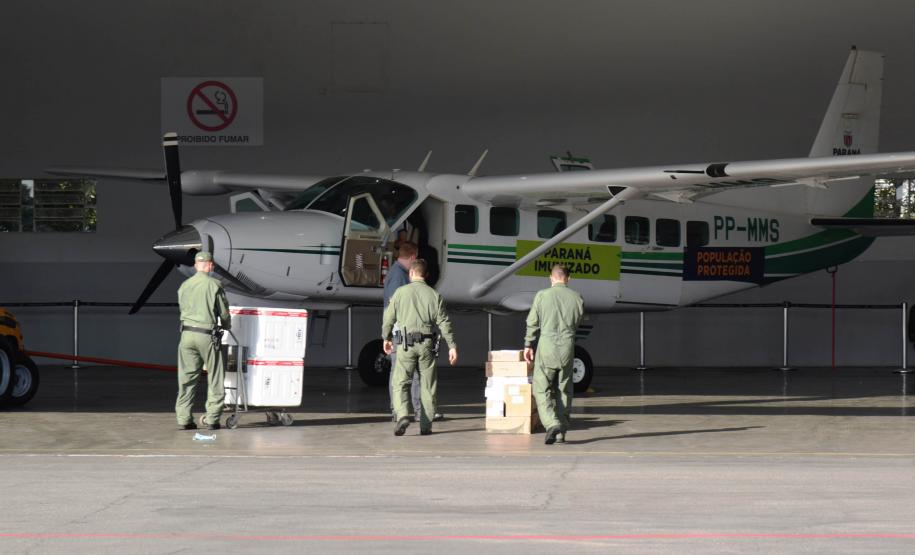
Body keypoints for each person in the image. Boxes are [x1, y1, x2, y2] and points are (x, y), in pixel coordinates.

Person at [381, 259, 458, 436]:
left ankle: (402, 415)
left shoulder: (400, 293)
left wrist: (386, 337)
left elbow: (389, 318)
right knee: (427, 385)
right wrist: (452, 346)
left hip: (405, 345)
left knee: (400, 382)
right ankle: (425, 425)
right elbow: (444, 322)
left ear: (411, 273)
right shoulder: (434, 295)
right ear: (426, 275)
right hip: (427, 345)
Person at [523, 263, 584, 445]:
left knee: (540, 387)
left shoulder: (542, 295)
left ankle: (551, 423)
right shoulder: (577, 298)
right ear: (568, 278)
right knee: (564, 390)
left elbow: (532, 322)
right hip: (567, 347)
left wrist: (528, 344)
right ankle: (561, 434)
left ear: (551, 278)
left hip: (547, 346)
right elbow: (577, 321)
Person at [175, 251, 231, 431]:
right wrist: (227, 325)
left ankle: (184, 419)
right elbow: (223, 312)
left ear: (195, 265)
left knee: (186, 378)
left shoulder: (184, 285)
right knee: (215, 377)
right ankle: (213, 419)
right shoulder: (214, 285)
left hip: (186, 335)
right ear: (209, 265)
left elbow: (183, 308)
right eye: (212, 264)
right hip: (206, 335)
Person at [384, 240, 421, 420]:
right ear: (413, 257)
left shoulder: (396, 273)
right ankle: (412, 411)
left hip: (397, 331)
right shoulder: (399, 276)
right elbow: (394, 305)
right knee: (409, 373)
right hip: (402, 333)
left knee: (399, 373)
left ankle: (399, 411)